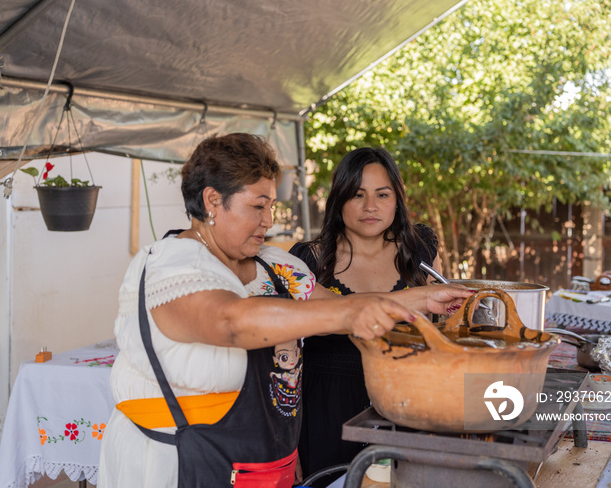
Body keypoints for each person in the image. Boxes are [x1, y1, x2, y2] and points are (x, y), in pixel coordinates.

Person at [97, 134, 472, 488]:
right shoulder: (171, 265)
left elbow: (337, 305)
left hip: (262, 459)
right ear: (213, 201)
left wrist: (424, 300)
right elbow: (231, 322)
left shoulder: (273, 265)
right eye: (258, 206)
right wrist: (349, 316)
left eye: (271, 206)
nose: (269, 221)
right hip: (177, 461)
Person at [289, 146, 445, 479]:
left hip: (407, 403)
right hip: (327, 405)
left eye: (382, 194)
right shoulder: (308, 260)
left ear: (397, 199)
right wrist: (288, 444)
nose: (370, 206)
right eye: (357, 194)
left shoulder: (420, 251)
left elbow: (442, 332)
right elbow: (283, 350)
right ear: (339, 199)